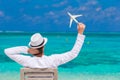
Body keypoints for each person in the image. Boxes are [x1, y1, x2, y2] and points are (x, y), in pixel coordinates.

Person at [4, 23, 86, 68]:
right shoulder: (52, 60)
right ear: (43, 46)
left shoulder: (27, 61)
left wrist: (27, 50)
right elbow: (73, 53)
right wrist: (80, 33)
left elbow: (7, 51)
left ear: (32, 47)